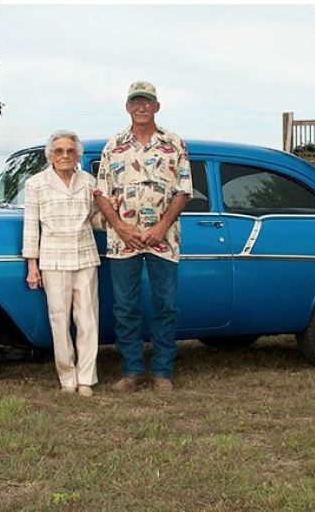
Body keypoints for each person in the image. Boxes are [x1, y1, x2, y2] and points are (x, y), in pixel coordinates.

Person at [94, 81, 191, 393]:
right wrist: (120, 227)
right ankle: (131, 371)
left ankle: (163, 372)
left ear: (156, 106)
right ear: (127, 107)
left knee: (165, 306)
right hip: (124, 241)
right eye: (136, 102)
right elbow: (101, 193)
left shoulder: (173, 143)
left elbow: (183, 190)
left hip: (165, 239)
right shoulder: (114, 146)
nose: (141, 107)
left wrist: (162, 226)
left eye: (147, 102)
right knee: (125, 307)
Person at [22, 130, 101, 395]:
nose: (64, 156)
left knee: (88, 319)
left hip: (86, 255)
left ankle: (86, 378)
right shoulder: (36, 184)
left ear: (77, 154)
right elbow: (31, 226)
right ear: (50, 156)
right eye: (59, 151)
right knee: (59, 319)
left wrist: (117, 213)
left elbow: (94, 220)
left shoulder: (89, 182)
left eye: (70, 151)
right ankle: (67, 378)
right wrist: (32, 266)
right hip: (53, 259)